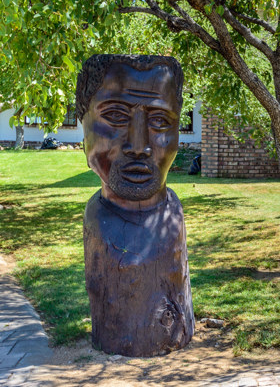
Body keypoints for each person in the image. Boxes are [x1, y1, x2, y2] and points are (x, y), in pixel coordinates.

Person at [77, 54, 194, 357]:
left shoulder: (173, 217)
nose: (139, 145)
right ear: (83, 123)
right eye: (116, 116)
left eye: (159, 121)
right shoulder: (97, 223)